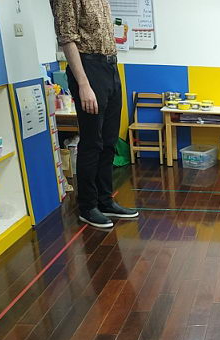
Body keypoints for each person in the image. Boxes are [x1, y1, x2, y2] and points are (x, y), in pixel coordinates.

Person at [50, 0, 139, 228]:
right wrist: (83, 84)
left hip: (110, 67)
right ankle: (88, 206)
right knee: (92, 142)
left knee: (109, 141)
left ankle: (105, 200)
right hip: (88, 68)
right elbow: (67, 38)